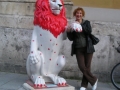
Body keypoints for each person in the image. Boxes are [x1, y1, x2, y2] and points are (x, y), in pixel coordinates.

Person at [66, 7, 98, 90]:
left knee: (87, 67)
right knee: (82, 67)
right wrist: (69, 32)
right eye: (77, 13)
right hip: (78, 48)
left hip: (88, 48)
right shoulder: (73, 24)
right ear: (75, 14)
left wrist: (80, 26)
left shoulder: (86, 23)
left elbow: (89, 31)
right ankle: (94, 80)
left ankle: (84, 85)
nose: (78, 14)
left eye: (80, 13)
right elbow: (71, 38)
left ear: (82, 15)